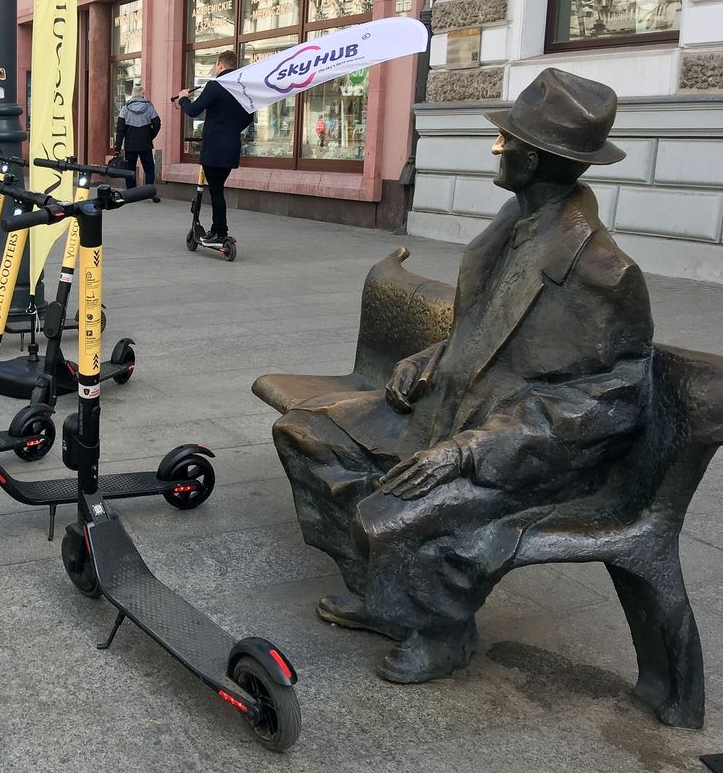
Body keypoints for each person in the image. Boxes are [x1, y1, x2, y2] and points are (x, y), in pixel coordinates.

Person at [272, 69, 651, 685]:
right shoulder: (511, 226)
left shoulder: (602, 270)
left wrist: (470, 450)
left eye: (511, 142)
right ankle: (388, 599)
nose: (498, 148)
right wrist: (434, 356)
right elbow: (492, 330)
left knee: (389, 513)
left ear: (540, 160)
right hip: (447, 407)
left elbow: (612, 399)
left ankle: (443, 632)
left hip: (518, 448)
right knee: (305, 433)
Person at [176, 51, 253, 240]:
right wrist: (231, 130)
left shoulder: (215, 85)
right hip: (231, 148)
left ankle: (221, 231)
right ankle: (216, 229)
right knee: (217, 188)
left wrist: (183, 98)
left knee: (216, 191)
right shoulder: (241, 87)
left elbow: (194, 110)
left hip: (214, 149)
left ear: (220, 64)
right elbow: (249, 116)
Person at [115, 85, 161, 200]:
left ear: (133, 94)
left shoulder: (125, 109)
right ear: (142, 94)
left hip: (130, 144)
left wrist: (117, 147)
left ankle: (131, 193)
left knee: (130, 169)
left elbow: (120, 130)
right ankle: (150, 192)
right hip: (145, 143)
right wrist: (150, 136)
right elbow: (157, 124)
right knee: (149, 168)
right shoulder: (149, 107)